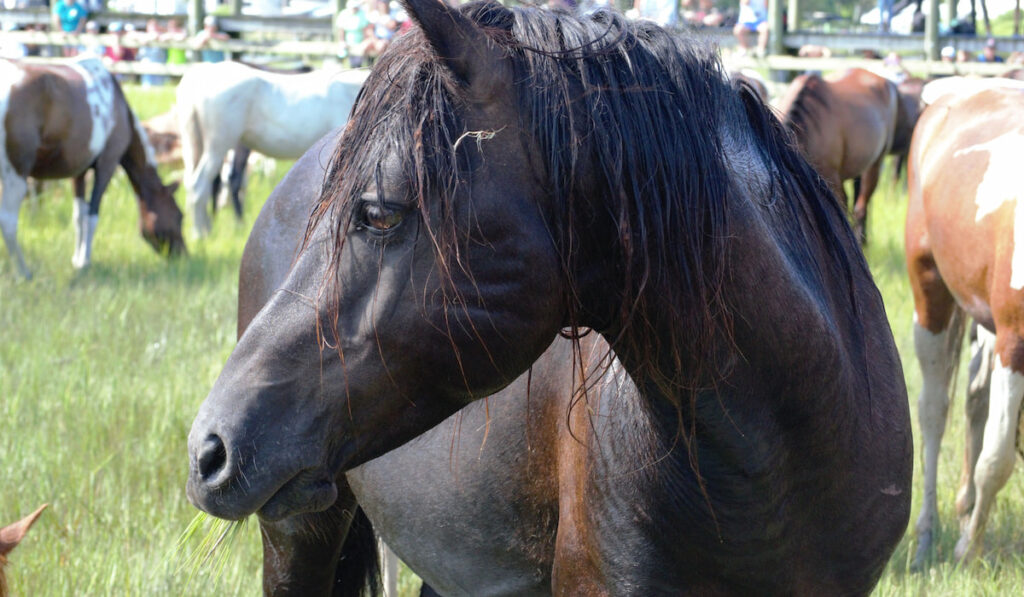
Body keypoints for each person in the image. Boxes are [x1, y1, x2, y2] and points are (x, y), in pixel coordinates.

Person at [137, 18, 168, 87]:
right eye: (151, 26)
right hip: (146, 68)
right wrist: (147, 37)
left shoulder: (163, 36)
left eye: (155, 26)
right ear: (147, 28)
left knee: (159, 88)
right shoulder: (143, 36)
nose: (153, 28)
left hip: (160, 68)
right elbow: (131, 34)